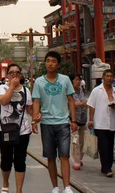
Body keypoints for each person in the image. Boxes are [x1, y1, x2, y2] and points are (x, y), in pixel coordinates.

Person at [32, 51, 77, 193]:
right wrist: (34, 120)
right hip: (46, 123)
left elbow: (71, 100)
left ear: (58, 64)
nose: (50, 63)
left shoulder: (65, 80)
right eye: (48, 61)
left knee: (64, 155)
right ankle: (55, 187)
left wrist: (74, 120)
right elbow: (36, 102)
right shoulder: (39, 81)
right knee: (50, 157)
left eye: (53, 61)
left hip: (63, 122)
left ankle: (67, 187)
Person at [0, 64, 33, 193]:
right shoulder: (2, 88)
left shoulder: (26, 91)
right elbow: (4, 101)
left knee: (20, 160)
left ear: (20, 74)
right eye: (11, 72)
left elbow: (29, 109)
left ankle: (19, 189)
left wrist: (37, 115)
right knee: (5, 160)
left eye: (17, 72)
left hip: (22, 131)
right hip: (5, 130)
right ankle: (5, 183)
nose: (14, 75)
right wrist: (11, 87)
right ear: (7, 75)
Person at [87, 69, 115, 178]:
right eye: (107, 76)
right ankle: (107, 168)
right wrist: (90, 120)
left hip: (111, 122)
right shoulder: (97, 90)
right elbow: (91, 106)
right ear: (103, 77)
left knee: (110, 145)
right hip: (99, 122)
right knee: (103, 146)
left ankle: (107, 166)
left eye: (111, 76)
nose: (109, 78)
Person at [68, 74, 88, 170]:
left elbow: (84, 100)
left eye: (79, 80)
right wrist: (81, 104)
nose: (77, 82)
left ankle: (79, 158)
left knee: (82, 142)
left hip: (83, 118)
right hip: (73, 119)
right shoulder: (69, 92)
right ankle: (75, 161)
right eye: (75, 80)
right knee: (75, 141)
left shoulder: (81, 91)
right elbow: (69, 103)